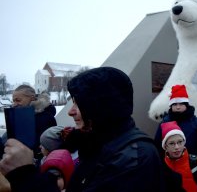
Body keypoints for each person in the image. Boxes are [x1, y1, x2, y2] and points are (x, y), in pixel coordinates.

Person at [0, 66, 165, 192]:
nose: (71, 111)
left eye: (78, 104)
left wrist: (24, 176)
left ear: (101, 107)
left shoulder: (133, 158)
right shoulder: (97, 144)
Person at [154, 84, 197, 172]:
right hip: (170, 169)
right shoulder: (164, 123)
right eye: (175, 104)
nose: (178, 107)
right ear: (171, 106)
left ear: (186, 105)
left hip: (194, 168)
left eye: (181, 104)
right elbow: (157, 146)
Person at [2, 85, 57, 161]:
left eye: (18, 100)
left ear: (32, 98)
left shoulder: (46, 118)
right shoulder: (20, 117)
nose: (14, 104)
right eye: (13, 101)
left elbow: (46, 148)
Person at [161, 121, 197, 192]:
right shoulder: (161, 166)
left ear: (184, 142)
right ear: (165, 146)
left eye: (180, 142)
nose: (177, 147)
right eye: (172, 143)